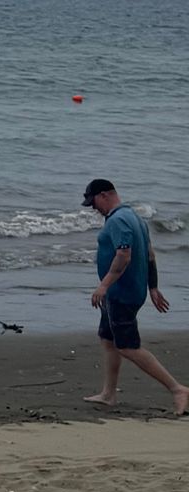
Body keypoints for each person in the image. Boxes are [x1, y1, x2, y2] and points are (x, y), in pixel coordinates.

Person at [83, 177, 186, 414]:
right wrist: (153, 287)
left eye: (93, 202)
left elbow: (124, 255)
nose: (94, 209)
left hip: (121, 293)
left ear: (105, 195)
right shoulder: (134, 217)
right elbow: (150, 255)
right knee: (108, 341)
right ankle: (108, 394)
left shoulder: (118, 220)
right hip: (122, 292)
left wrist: (104, 286)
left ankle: (177, 389)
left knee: (128, 347)